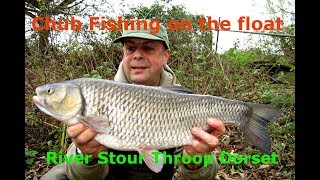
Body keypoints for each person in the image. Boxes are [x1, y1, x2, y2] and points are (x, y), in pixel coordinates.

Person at [41, 20, 226, 180]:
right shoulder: (98, 95)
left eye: (147, 48)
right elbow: (80, 176)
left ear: (165, 56)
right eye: (130, 48)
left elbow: (203, 176)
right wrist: (87, 156)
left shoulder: (185, 102)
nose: (137, 55)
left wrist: (196, 160)